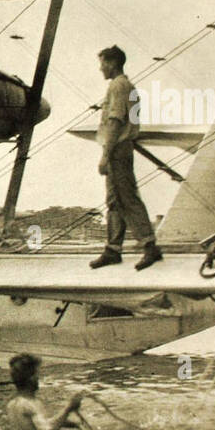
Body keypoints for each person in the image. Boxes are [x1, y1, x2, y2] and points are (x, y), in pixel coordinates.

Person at [89, 46, 163, 271]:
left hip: (118, 149)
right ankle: (113, 249)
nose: (100, 68)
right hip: (119, 148)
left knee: (127, 197)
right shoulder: (126, 85)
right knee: (114, 201)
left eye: (102, 63)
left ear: (111, 63)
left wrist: (105, 155)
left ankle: (150, 246)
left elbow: (115, 121)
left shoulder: (118, 85)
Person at [4, 352, 84, 430]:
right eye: (37, 374)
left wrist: (66, 422)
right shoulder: (28, 404)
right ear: (31, 378)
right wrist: (69, 408)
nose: (39, 378)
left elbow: (37, 425)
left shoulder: (12, 403)